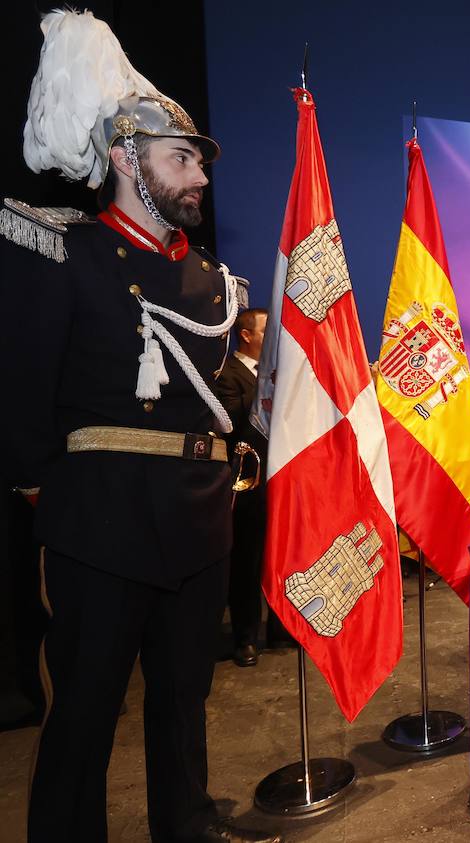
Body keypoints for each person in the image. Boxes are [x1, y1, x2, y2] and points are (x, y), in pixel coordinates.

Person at [1, 10, 278, 841]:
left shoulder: (210, 283)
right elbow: (22, 395)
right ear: (127, 159)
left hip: (199, 514)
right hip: (100, 520)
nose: (199, 177)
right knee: (84, 711)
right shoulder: (67, 253)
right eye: (181, 159)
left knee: (184, 699)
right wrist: (52, 499)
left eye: (196, 162)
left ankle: (185, 825)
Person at [212, 308, 288, 666]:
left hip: (281, 478)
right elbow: (228, 422)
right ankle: (245, 636)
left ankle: (280, 628)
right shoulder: (227, 374)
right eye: (265, 331)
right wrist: (266, 386)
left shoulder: (279, 374)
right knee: (247, 561)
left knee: (282, 556)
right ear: (246, 335)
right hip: (248, 481)